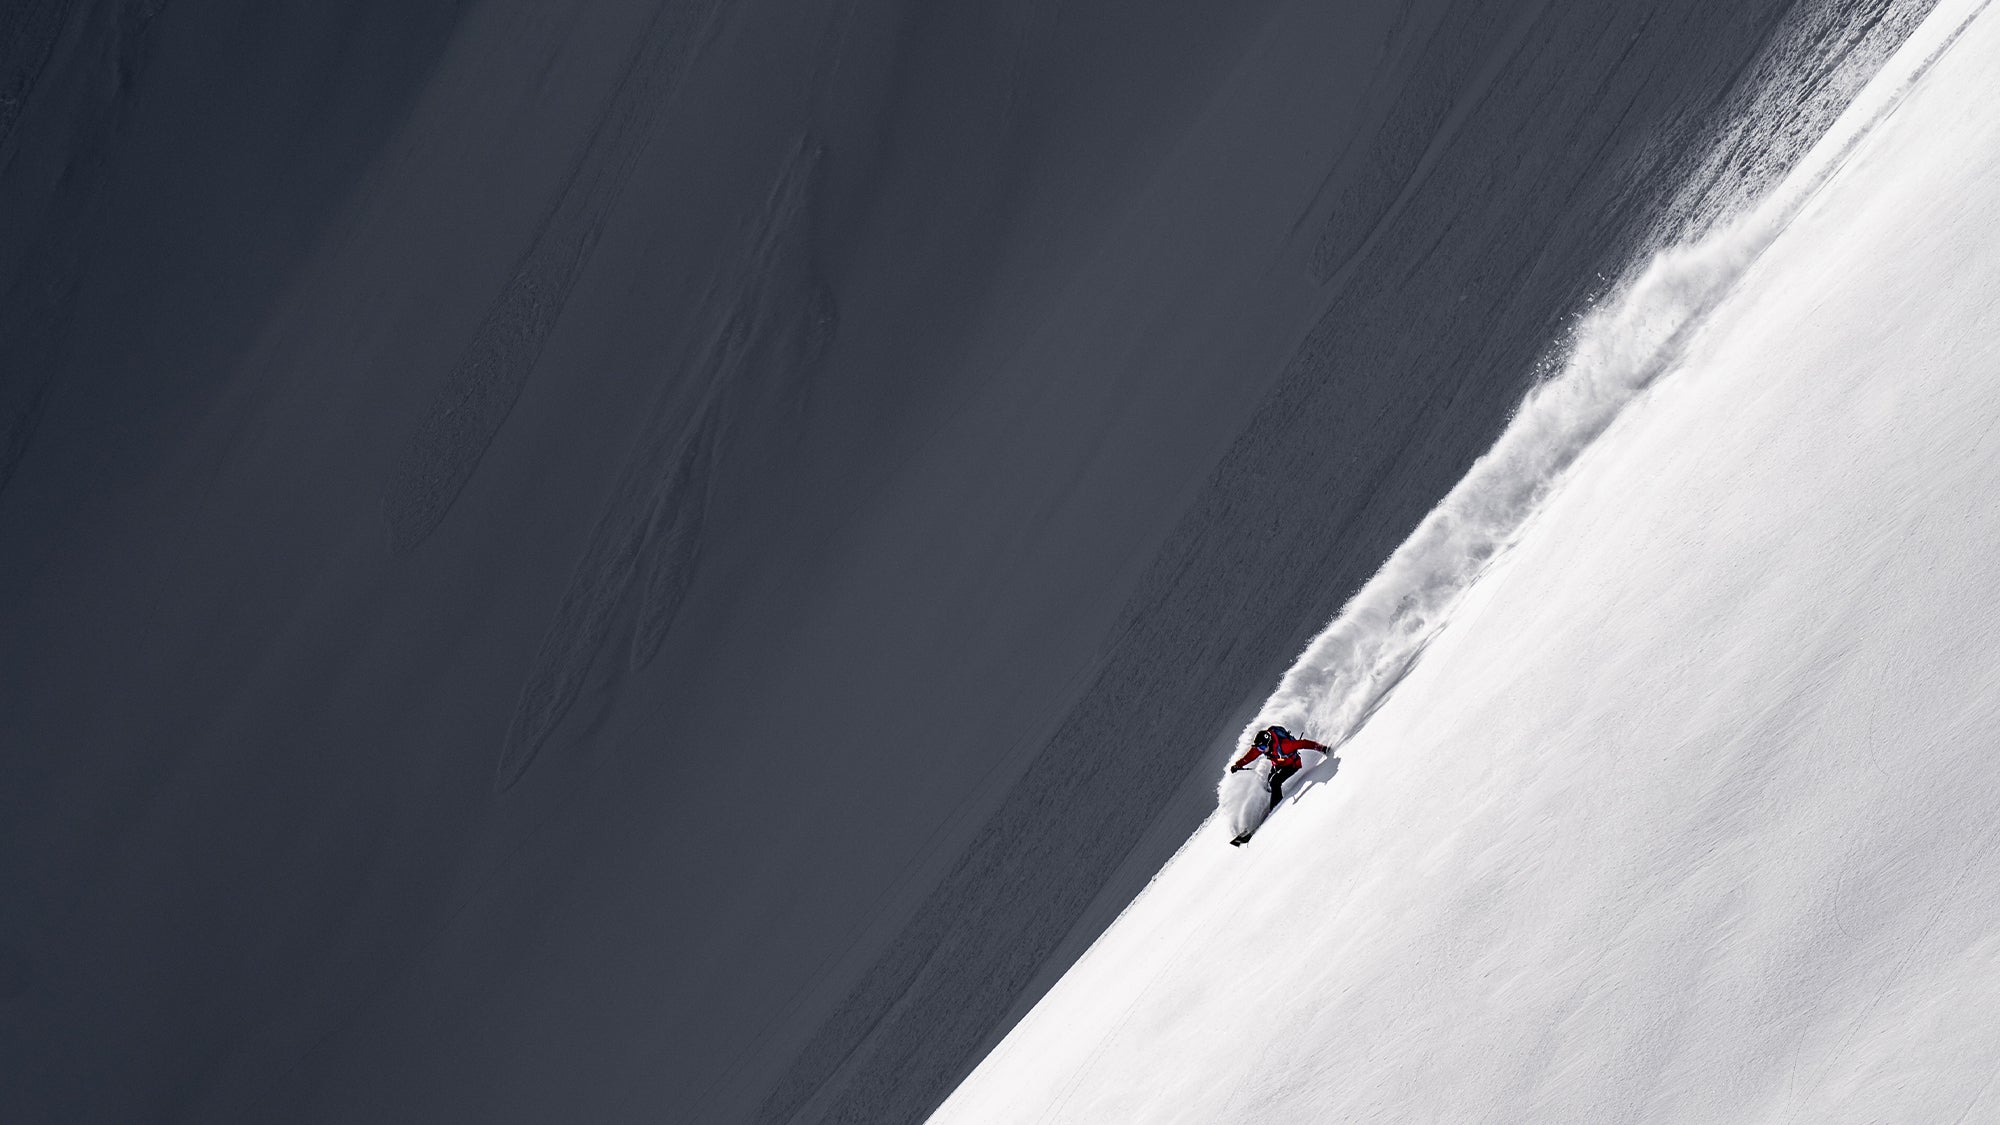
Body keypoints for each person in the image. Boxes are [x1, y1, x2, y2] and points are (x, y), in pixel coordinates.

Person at [1229, 725, 1328, 812]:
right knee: (1269, 782)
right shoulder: (1262, 746)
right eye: (1259, 748)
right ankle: (1274, 798)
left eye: (1262, 748)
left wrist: (1321, 748)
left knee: (1275, 782)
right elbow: (1250, 756)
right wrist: (1238, 765)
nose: (1261, 751)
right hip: (1278, 763)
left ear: (1269, 743)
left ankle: (1276, 809)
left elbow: (1303, 743)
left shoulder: (1285, 746)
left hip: (1292, 765)